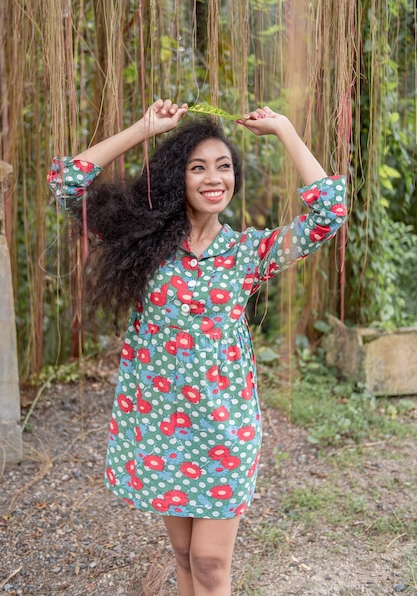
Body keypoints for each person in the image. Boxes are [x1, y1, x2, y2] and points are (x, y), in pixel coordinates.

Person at [48, 99, 347, 595]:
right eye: (198, 167)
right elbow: (67, 184)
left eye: (224, 167)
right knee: (186, 559)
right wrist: (142, 129)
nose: (214, 178)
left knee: (210, 565)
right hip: (162, 427)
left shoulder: (249, 253)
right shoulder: (144, 241)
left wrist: (287, 131)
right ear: (177, 178)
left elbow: (329, 212)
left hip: (224, 430)